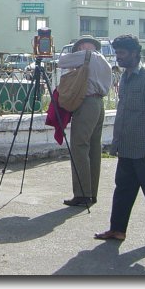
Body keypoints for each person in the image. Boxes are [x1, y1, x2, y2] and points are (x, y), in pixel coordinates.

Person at [94, 34, 145, 242]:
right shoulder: (125, 77)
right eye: (117, 53)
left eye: (122, 53)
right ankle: (117, 230)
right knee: (123, 189)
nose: (118, 57)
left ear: (134, 53)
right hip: (126, 145)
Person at [58, 35, 112, 207]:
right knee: (94, 149)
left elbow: (62, 61)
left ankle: (82, 193)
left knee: (79, 147)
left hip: (87, 103)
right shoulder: (104, 60)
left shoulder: (87, 56)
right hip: (98, 104)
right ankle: (91, 192)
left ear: (83, 46)